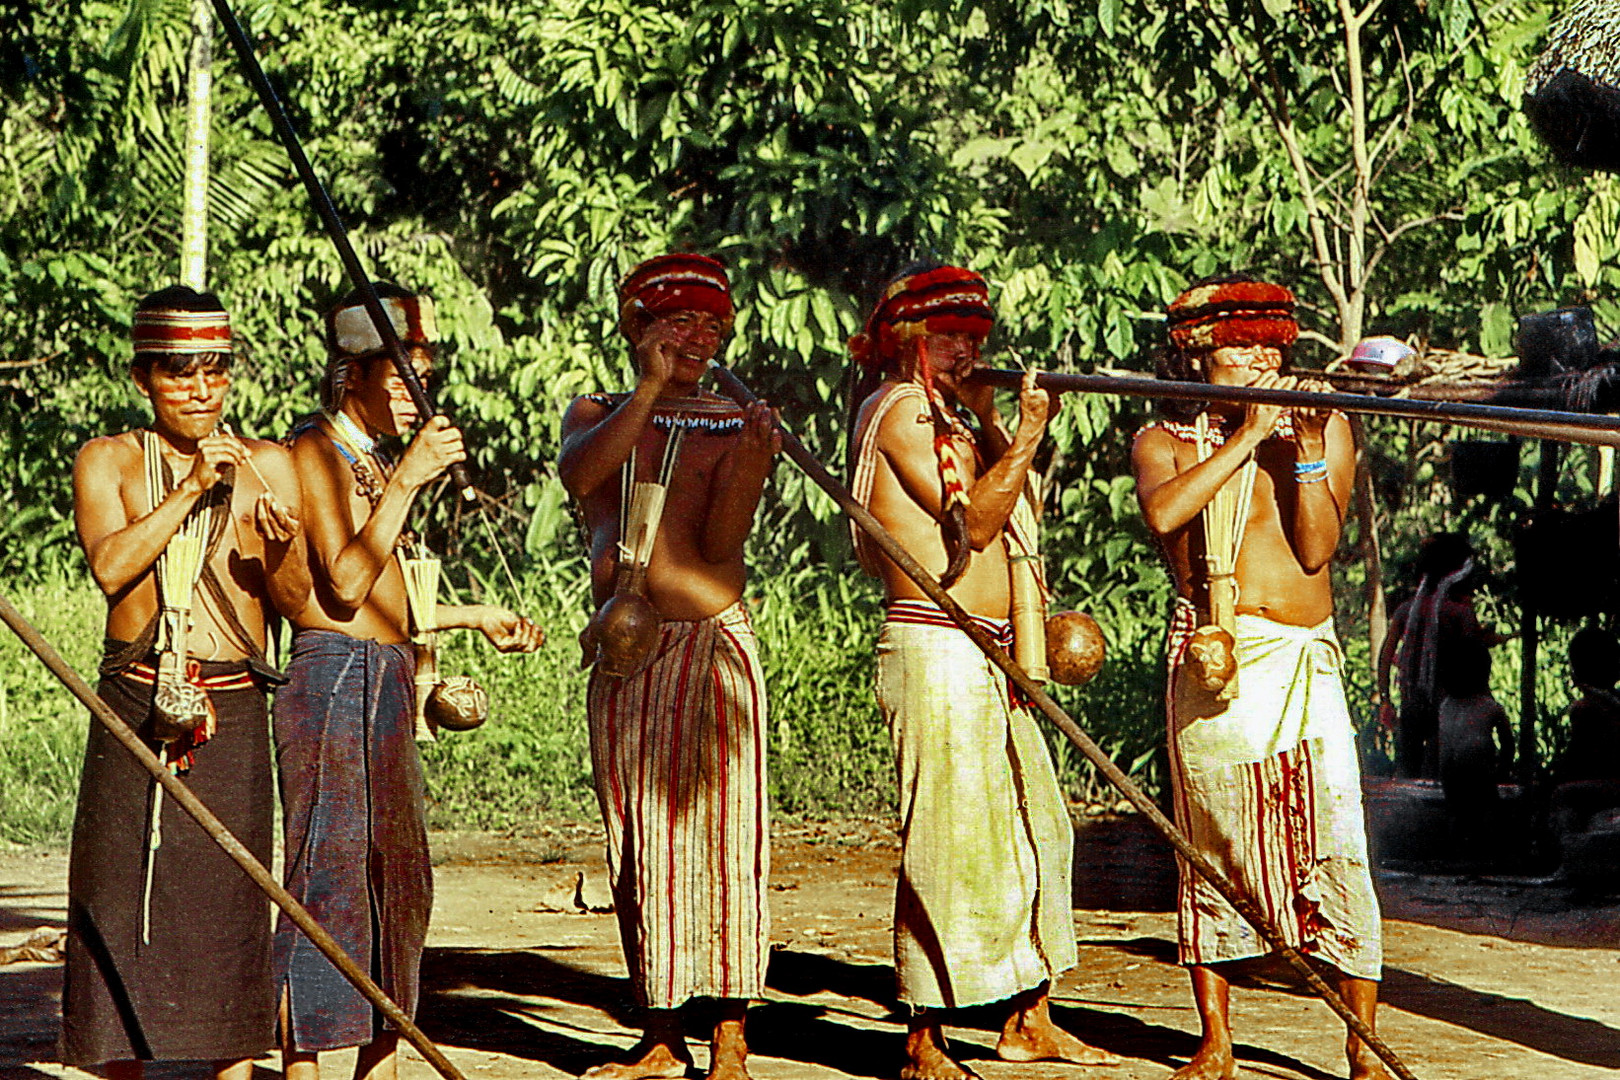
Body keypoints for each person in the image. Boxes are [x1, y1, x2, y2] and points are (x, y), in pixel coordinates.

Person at [848, 264, 1117, 1079]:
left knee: (1040, 832)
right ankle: (923, 1038)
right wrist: (1029, 432)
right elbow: (974, 521)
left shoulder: (954, 418)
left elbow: (1013, 501)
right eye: (949, 337)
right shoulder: (897, 411)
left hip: (991, 650)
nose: (968, 350)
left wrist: (1000, 421)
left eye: (975, 336)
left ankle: (1029, 1018)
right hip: (936, 643)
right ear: (908, 341)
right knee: (946, 842)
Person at [277, 284, 542, 1080]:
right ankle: (306, 1067)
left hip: (386, 674)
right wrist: (409, 480)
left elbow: (393, 603)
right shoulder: (315, 452)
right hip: (332, 682)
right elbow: (348, 585)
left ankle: (383, 1062)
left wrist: (471, 616)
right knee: (330, 876)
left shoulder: (373, 457)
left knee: (399, 877)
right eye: (394, 376)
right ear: (347, 376)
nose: (410, 391)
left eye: (419, 375)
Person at [1131, 276, 1389, 1080]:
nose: (1263, 359)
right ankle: (1216, 1038)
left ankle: (1360, 1039)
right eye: (1243, 347)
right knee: (1212, 841)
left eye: (1273, 346)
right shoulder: (1164, 440)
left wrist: (1305, 448)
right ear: (1197, 353)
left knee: (1337, 836)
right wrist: (1244, 437)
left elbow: (1317, 551)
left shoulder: (1323, 426)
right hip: (1217, 653)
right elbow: (1166, 515)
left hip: (1303, 654)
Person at [64, 286, 308, 1079]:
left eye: (214, 372)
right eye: (179, 375)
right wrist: (192, 487)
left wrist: (281, 551)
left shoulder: (268, 465)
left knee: (230, 913)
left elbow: (300, 603)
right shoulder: (109, 461)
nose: (200, 390)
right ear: (142, 378)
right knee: (116, 900)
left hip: (231, 703)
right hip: (136, 698)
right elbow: (111, 568)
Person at [558, 254, 779, 1080]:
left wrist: (753, 457)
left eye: (711, 328)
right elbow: (583, 475)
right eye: (678, 324)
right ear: (638, 331)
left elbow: (723, 544)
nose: (698, 339)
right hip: (629, 652)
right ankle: (658, 1033)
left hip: (714, 645)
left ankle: (730, 1040)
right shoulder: (600, 410)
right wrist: (649, 394)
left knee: (727, 839)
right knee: (639, 840)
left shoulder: (728, 419)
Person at [1375, 534, 1509, 778]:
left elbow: (1386, 657)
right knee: (1436, 772)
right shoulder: (1458, 613)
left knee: (1407, 770)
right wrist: (1505, 638)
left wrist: (1385, 697)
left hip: (1410, 701)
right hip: (1447, 707)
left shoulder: (1407, 610)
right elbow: (1473, 647)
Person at [1435, 641, 1513, 858]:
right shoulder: (1490, 706)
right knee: (1487, 807)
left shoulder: (1445, 705)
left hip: (1448, 768)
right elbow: (1507, 742)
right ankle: (1490, 851)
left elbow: (1438, 740)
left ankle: (1457, 852)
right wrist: (1505, 769)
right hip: (1477, 766)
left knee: (1457, 810)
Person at [1551, 627, 1620, 836]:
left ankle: (1570, 852)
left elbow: (1576, 757)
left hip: (1612, 783)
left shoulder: (1587, 707)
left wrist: (1552, 779)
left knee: (1561, 795)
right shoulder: (1613, 701)